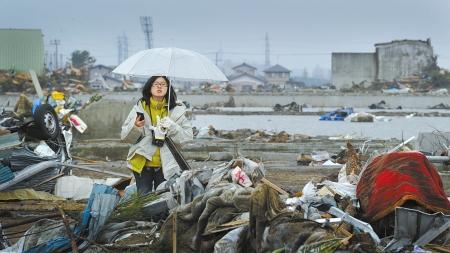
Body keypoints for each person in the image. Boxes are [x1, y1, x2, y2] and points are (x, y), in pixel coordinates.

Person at [121, 76, 193, 194]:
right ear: (149, 87)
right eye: (156, 84)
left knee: (164, 200)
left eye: (163, 84)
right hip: (142, 162)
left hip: (167, 165)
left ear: (168, 88)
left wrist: (173, 127)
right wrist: (136, 127)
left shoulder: (177, 110)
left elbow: (187, 137)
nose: (159, 86)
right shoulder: (140, 108)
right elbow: (125, 136)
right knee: (143, 200)